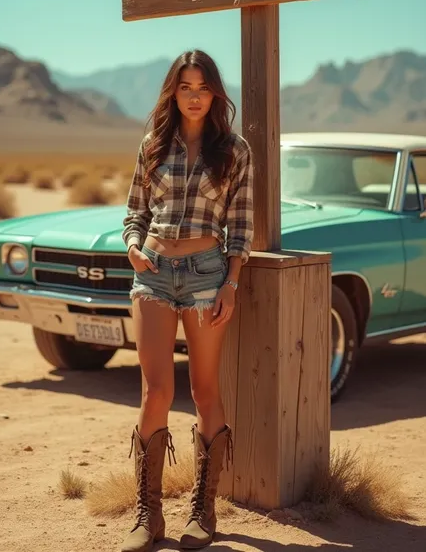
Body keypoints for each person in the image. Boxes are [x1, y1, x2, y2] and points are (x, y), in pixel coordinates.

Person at [121, 49, 254, 552]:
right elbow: (134, 211)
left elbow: (240, 226)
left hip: (206, 276)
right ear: (172, 92)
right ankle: (147, 514)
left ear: (215, 93)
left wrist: (231, 283)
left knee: (204, 391)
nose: (194, 96)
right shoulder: (152, 144)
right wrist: (134, 246)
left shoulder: (234, 150)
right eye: (184, 87)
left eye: (202, 87)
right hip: (153, 274)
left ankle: (204, 508)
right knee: (155, 392)